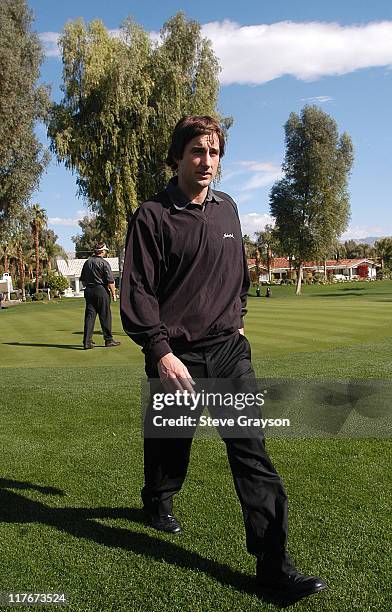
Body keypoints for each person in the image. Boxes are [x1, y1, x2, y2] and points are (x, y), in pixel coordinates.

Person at [120, 116, 326, 604]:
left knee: (251, 454)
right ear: (178, 157)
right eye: (197, 151)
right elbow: (139, 291)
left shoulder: (228, 209)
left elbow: (237, 274)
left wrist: (240, 316)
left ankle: (275, 569)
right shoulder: (152, 215)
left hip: (229, 352)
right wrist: (161, 352)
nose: (207, 161)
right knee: (171, 446)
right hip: (177, 355)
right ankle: (158, 499)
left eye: (213, 152)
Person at [80, 242, 121, 349]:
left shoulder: (87, 262)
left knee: (90, 316)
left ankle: (87, 342)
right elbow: (110, 281)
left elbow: (83, 280)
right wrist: (114, 294)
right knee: (105, 316)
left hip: (89, 291)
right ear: (102, 251)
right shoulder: (104, 263)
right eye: (105, 251)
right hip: (101, 290)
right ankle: (108, 340)